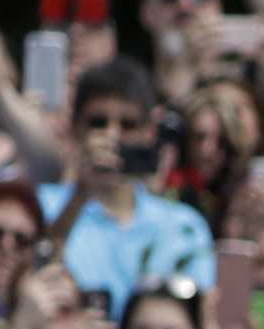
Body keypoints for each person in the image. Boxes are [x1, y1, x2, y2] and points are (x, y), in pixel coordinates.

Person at [35, 63, 216, 312]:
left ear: (150, 132)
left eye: (128, 125)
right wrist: (80, 196)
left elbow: (198, 317)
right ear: (75, 128)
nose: (112, 135)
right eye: (98, 122)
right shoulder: (39, 205)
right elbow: (34, 270)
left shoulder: (184, 226)